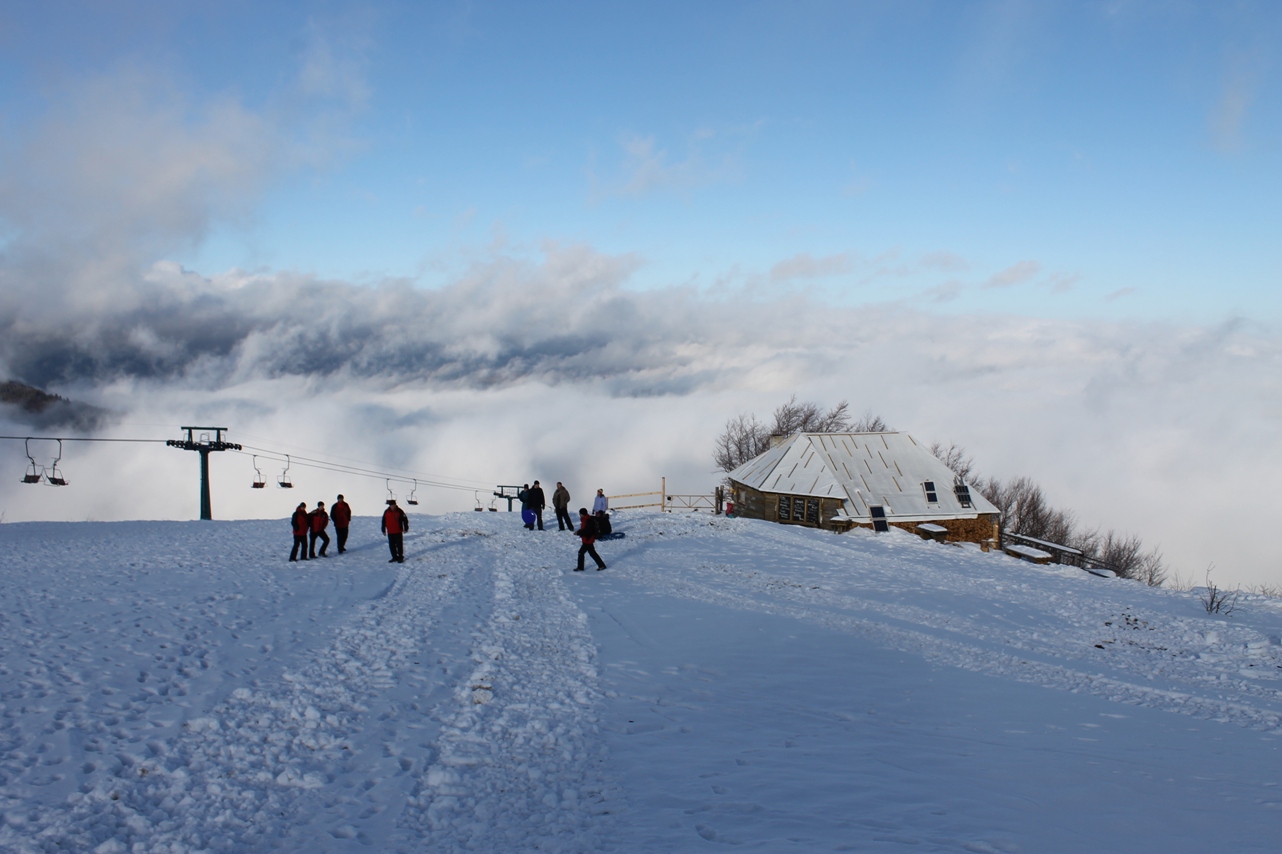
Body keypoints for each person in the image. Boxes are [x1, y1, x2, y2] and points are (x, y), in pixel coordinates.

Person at [574, 507, 607, 571]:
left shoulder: (588, 520)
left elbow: (588, 531)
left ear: (583, 514)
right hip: (587, 539)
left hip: (588, 540)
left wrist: (578, 532)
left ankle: (580, 567)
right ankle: (601, 565)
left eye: (580, 514)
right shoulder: (584, 519)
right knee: (592, 553)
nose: (579, 515)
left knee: (581, 552)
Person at [381, 499, 409, 563]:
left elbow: (405, 519)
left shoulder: (400, 511)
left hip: (398, 531)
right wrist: (383, 529)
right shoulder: (386, 512)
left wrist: (406, 527)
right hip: (390, 532)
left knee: (399, 545)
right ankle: (394, 557)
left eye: (394, 505)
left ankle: (400, 557)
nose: (393, 506)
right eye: (391, 505)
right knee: (392, 545)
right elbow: (383, 521)